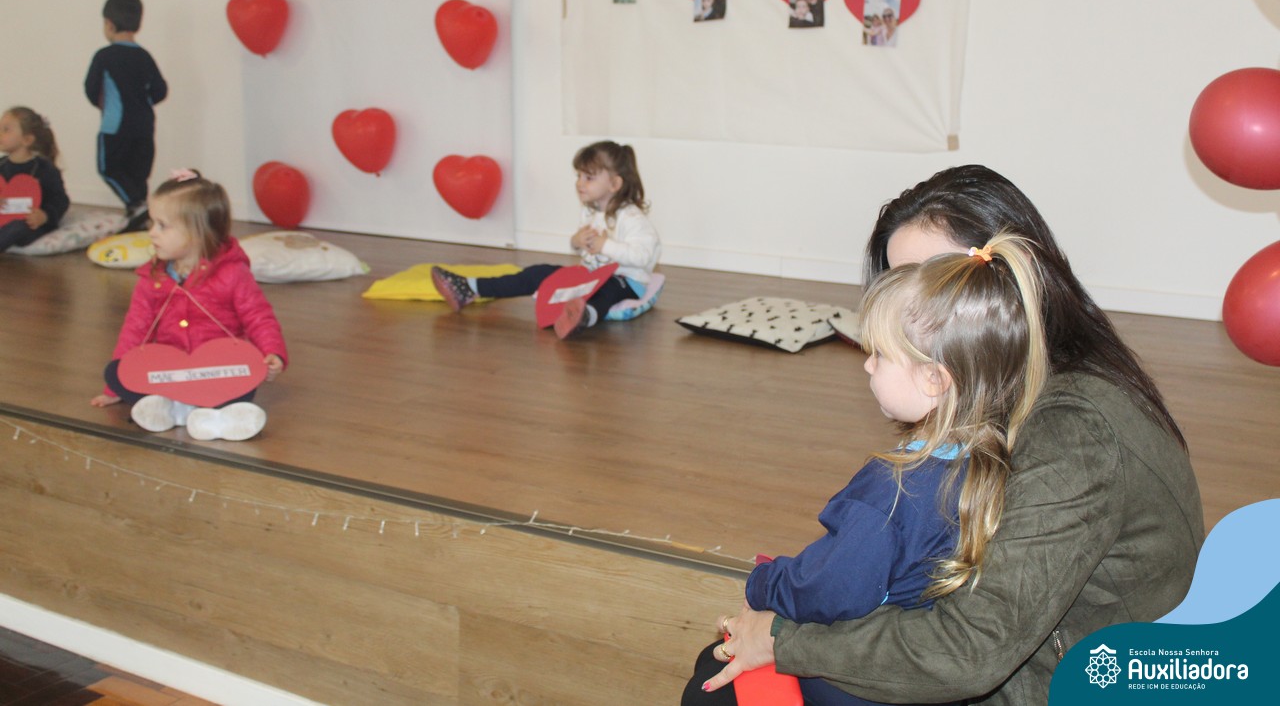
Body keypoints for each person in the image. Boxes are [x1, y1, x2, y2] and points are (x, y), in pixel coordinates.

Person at [701, 165, 1204, 705]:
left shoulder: (1076, 433)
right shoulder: (1010, 393)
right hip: (1021, 656)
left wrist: (784, 640)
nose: (912, 301)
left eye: (936, 279)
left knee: (717, 684)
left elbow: (970, 653)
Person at [684, 232, 1050, 706]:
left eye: (879, 354)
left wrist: (765, 583)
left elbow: (832, 590)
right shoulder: (992, 461)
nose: (868, 366)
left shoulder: (891, 491)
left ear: (934, 379)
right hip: (922, 683)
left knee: (708, 679)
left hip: (855, 686)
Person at [90, 170, 287, 442]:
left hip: (215, 369)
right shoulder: (153, 277)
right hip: (171, 370)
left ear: (196, 233)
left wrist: (272, 352)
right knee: (115, 372)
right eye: (152, 223)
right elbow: (135, 329)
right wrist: (114, 389)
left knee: (245, 379)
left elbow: (258, 317)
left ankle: (191, 411)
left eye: (163, 226)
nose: (152, 233)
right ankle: (189, 410)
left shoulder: (232, 273)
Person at [432, 141, 660, 340]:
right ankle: (469, 288)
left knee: (608, 289)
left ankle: (584, 316)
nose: (580, 183)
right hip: (589, 276)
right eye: (579, 176)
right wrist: (576, 241)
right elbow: (582, 250)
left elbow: (642, 257)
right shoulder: (590, 212)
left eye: (589, 178)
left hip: (626, 281)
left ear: (614, 184)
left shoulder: (632, 218)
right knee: (538, 273)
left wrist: (605, 246)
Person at [85, 0, 168, 232]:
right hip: (144, 127)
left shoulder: (104, 56)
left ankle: (137, 206)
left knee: (108, 168)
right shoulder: (144, 56)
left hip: (115, 127)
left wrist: (103, 104)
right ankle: (140, 221)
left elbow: (91, 89)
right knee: (137, 175)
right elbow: (160, 90)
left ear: (109, 24)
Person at [0, 106, 69, 252]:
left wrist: (45, 216)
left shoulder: (45, 169)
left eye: (6, 130)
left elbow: (60, 200)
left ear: (27, 140)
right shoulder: (1, 165)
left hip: (30, 224)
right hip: (2, 218)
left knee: (17, 226)